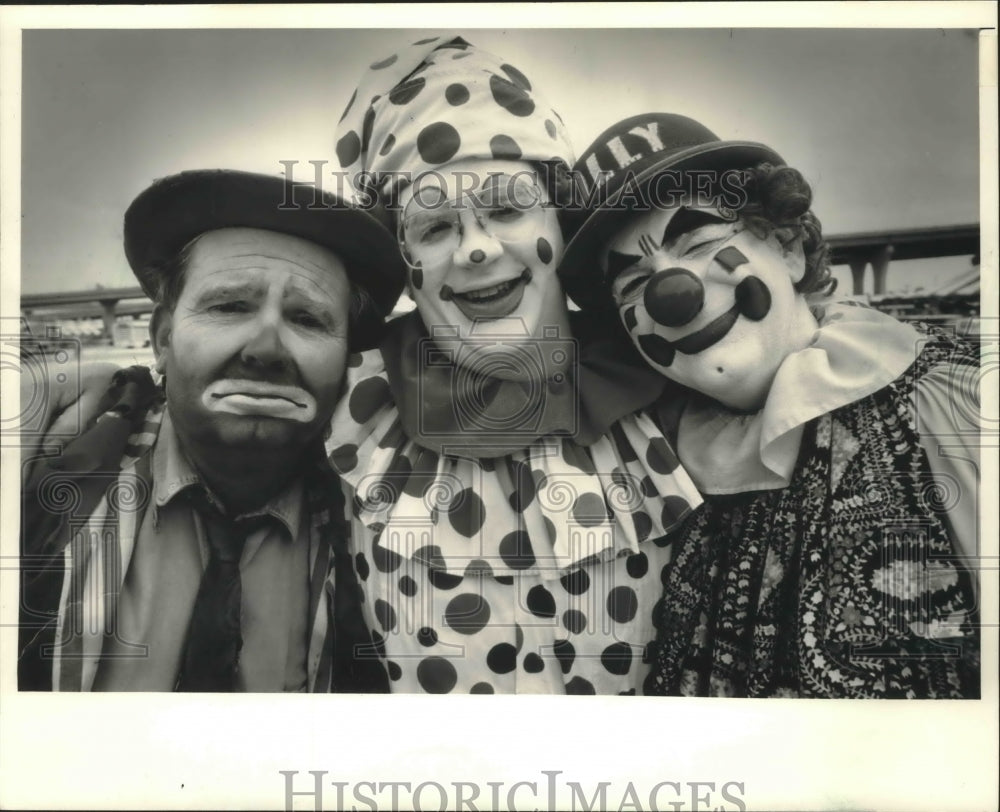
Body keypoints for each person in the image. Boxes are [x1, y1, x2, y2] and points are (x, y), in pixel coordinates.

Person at [323, 36, 703, 693]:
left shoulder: (664, 372)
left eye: (506, 208)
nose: (475, 248)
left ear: (558, 223)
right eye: (435, 227)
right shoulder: (352, 409)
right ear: (402, 261)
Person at [559, 113, 981, 698]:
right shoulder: (654, 460)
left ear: (786, 247)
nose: (671, 295)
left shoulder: (958, 404)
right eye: (633, 284)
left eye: (701, 243)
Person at [18, 169, 406, 692]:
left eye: (309, 319)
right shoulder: (44, 479)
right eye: (229, 306)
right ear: (161, 338)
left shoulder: (384, 528)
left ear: (348, 362)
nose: (265, 348)